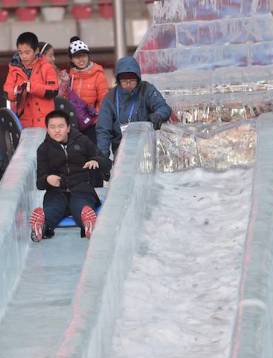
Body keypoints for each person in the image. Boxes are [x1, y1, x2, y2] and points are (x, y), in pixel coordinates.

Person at [30, 110, 111, 241]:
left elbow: (106, 162)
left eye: (61, 126)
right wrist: (47, 179)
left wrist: (96, 161)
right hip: (56, 192)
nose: (57, 130)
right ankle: (41, 225)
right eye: (53, 127)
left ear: (68, 128)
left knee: (80, 205)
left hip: (81, 189)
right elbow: (40, 182)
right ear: (48, 129)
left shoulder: (82, 142)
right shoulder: (44, 149)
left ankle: (88, 222)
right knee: (53, 209)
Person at [96, 56, 172, 158]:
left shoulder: (146, 90)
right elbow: (103, 129)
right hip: (121, 149)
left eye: (132, 80)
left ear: (138, 79)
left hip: (146, 146)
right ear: (118, 81)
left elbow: (163, 107)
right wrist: (102, 156)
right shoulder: (110, 98)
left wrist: (158, 115)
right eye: (124, 81)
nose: (128, 84)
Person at [58, 36, 110, 143]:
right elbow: (63, 99)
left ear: (88, 56)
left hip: (92, 125)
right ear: (72, 59)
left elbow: (104, 101)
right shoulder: (70, 76)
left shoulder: (98, 75)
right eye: (77, 57)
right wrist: (64, 84)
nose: (81, 60)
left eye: (83, 56)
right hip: (74, 124)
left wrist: (96, 120)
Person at [4, 32, 59, 128]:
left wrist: (32, 87)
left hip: (45, 121)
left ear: (36, 50)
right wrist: (16, 91)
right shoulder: (14, 69)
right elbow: (7, 92)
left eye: (27, 52)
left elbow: (53, 90)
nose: (23, 56)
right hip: (24, 122)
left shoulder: (47, 67)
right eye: (20, 52)